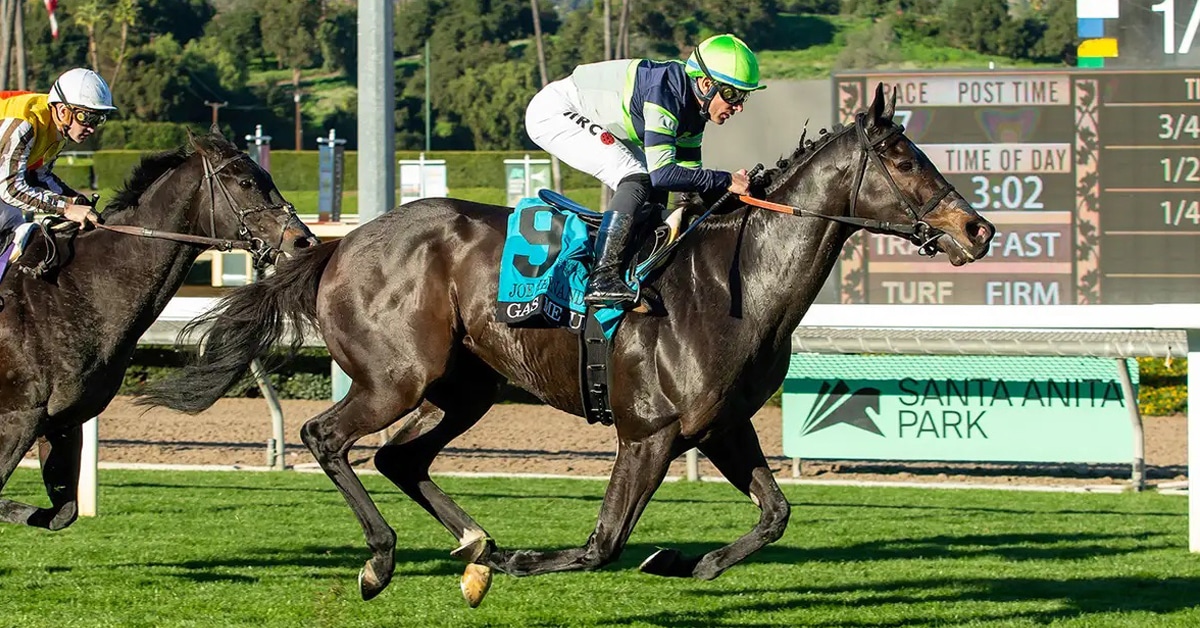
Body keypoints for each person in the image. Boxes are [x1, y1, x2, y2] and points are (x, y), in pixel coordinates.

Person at [524, 33, 765, 308]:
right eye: (732, 94)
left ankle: (634, 269)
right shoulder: (665, 93)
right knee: (637, 178)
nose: (739, 106)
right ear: (706, 84)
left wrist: (734, 197)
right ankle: (602, 278)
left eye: (744, 96)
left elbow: (686, 180)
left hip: (589, 116)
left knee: (652, 193)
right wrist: (724, 180)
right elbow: (663, 174)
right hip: (555, 113)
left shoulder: (695, 113)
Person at [0, 67, 115, 246]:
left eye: (98, 120)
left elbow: (38, 176)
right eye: (86, 118)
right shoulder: (26, 123)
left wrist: (75, 199)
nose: (92, 129)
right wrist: (67, 208)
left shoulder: (58, 129)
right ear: (63, 111)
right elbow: (11, 189)